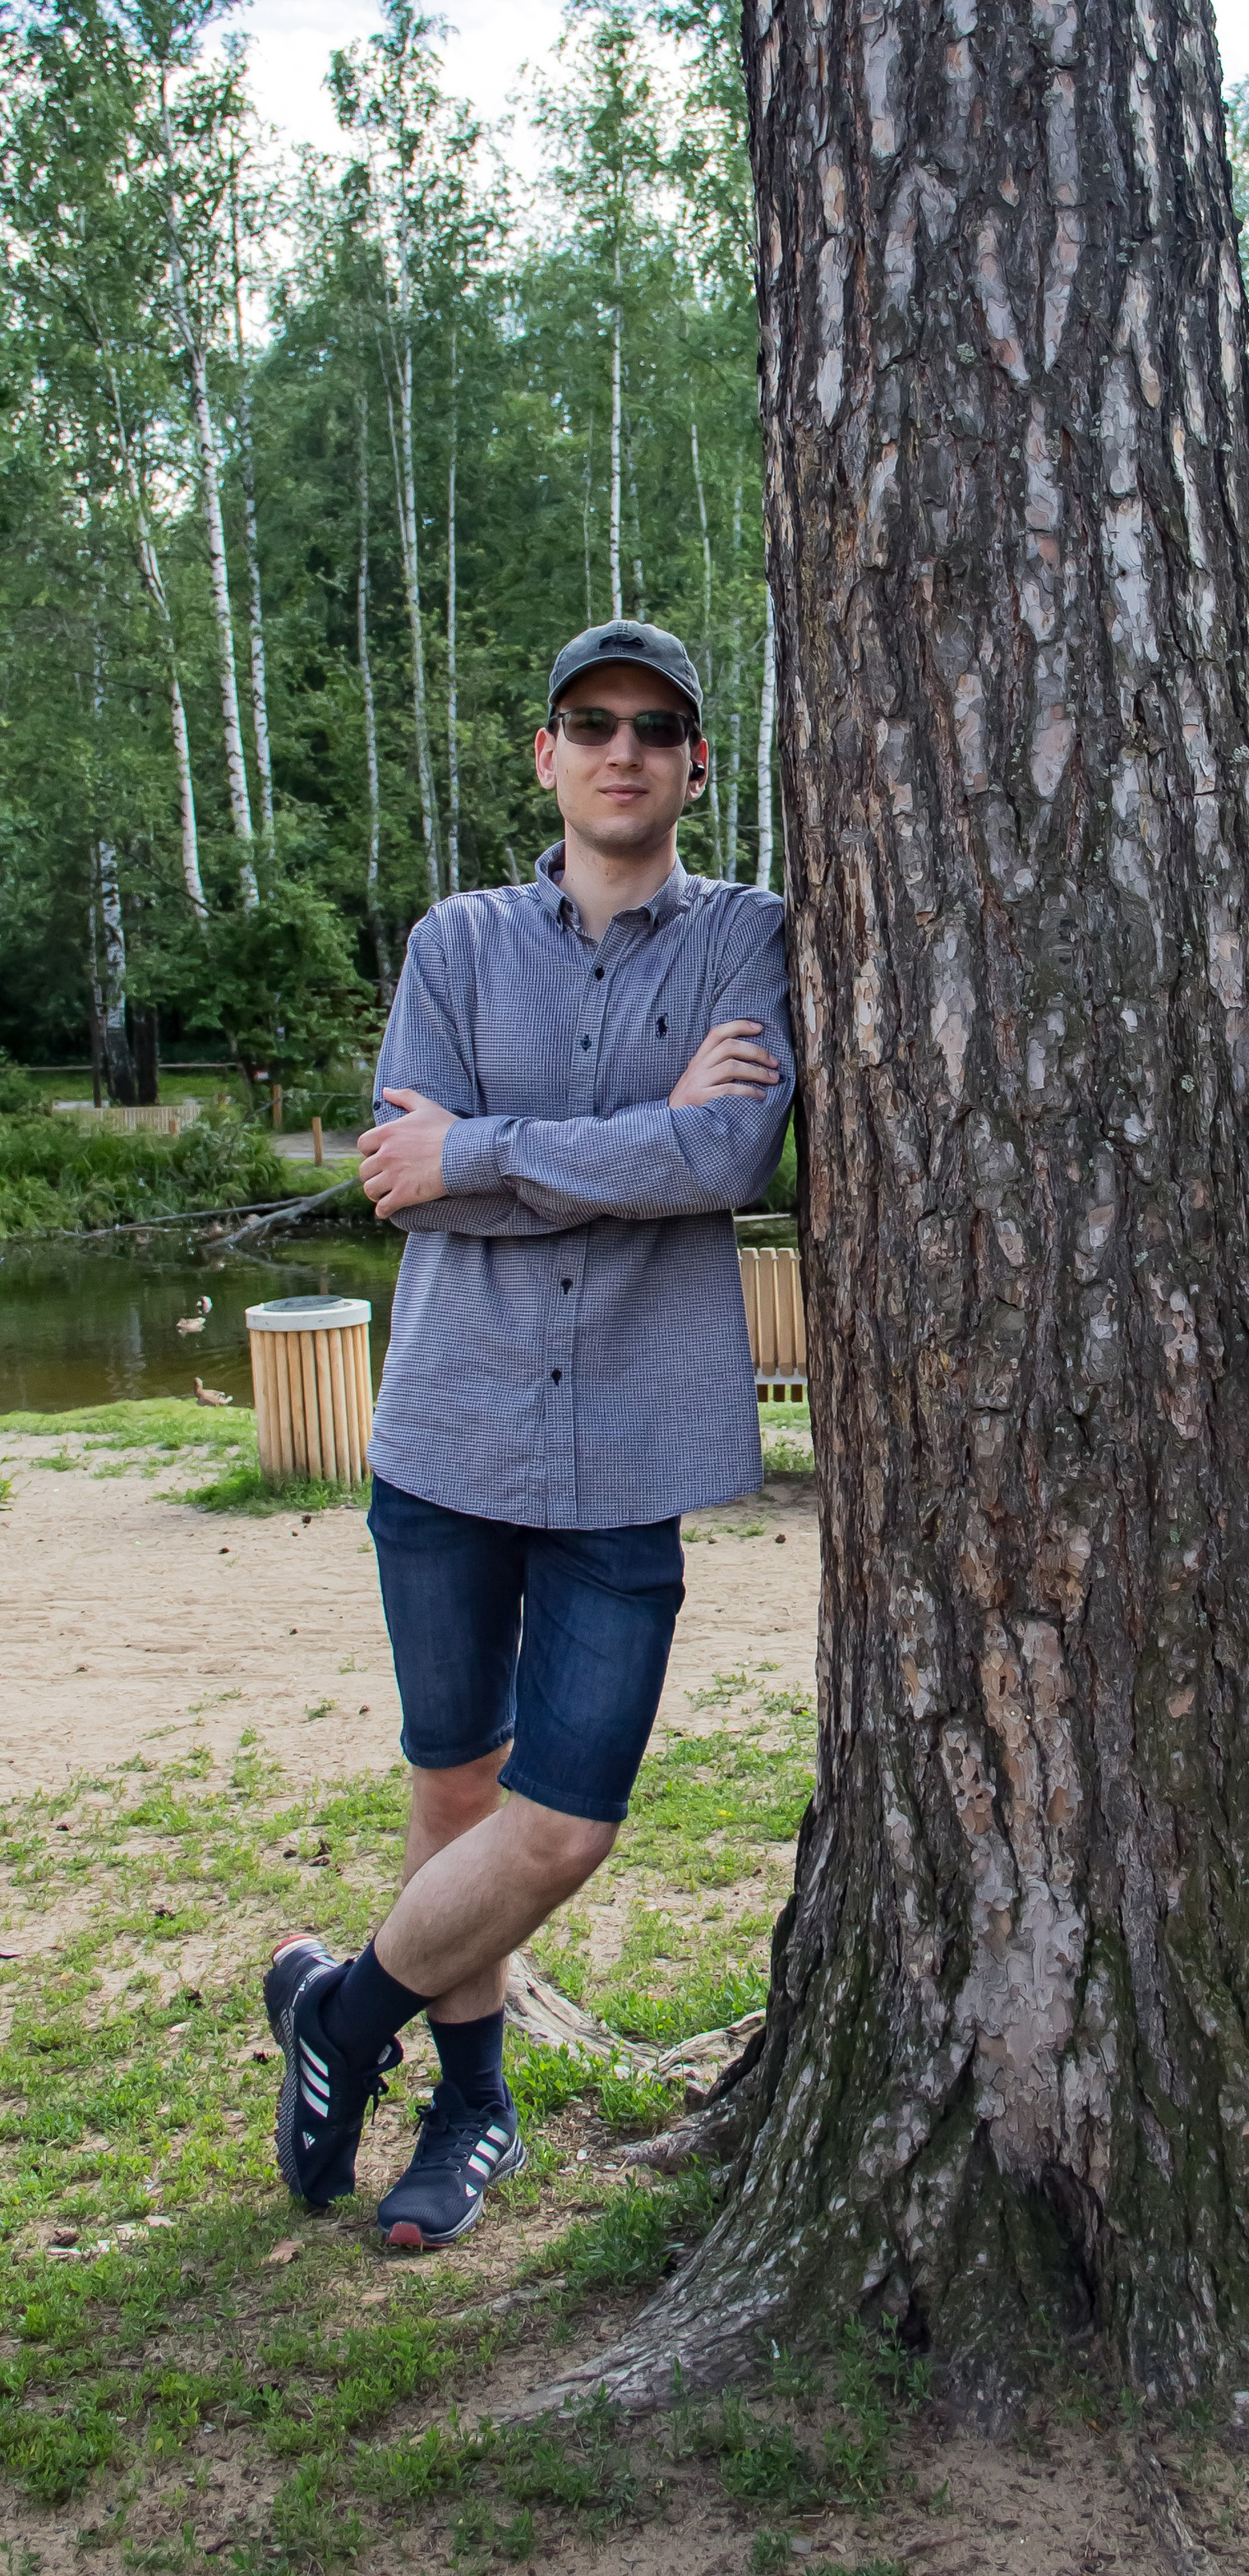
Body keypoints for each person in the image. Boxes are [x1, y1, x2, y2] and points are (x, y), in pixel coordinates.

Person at [263, 617, 794, 2250]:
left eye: (653, 725)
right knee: (455, 1785)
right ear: (545, 755)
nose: (621, 748)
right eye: (590, 722)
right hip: (444, 1432)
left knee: (559, 1820)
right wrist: (623, 1143)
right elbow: (398, 1183)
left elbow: (727, 1166)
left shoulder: (748, 941)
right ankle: (469, 2102)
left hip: (632, 1446)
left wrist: (488, 1155)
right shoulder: (455, 943)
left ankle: (341, 2018)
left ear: (695, 763)